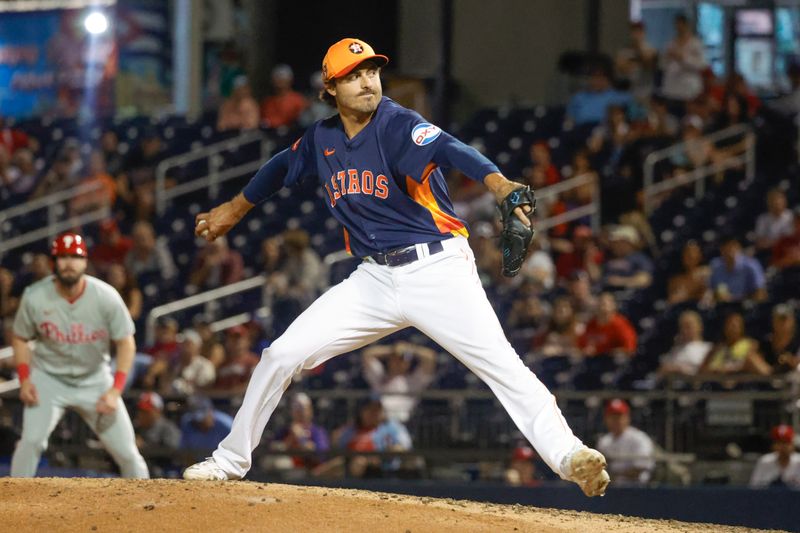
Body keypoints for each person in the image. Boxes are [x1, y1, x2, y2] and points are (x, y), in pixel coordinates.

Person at [183, 37, 609, 497]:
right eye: (353, 75)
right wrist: (234, 207)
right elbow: (280, 167)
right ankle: (230, 460)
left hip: (438, 268)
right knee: (280, 354)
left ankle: (569, 456)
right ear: (330, 88)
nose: (367, 82)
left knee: (501, 364)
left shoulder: (398, 124)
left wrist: (499, 183)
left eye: (372, 71)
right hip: (374, 279)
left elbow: (453, 150)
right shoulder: (321, 139)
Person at [9, 232, 149, 478]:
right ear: (54, 262)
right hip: (48, 379)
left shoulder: (106, 296)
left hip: (95, 380)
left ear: (85, 262)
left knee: (127, 452)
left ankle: (152, 509)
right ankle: (8, 508)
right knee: (30, 443)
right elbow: (20, 337)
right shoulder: (34, 296)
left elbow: (126, 343)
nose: (68, 263)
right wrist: (25, 379)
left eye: (75, 257)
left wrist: (115, 390)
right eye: (62, 257)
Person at [362, 340, 437, 423]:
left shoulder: (414, 381)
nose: (398, 362)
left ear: (408, 363)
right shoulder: (380, 376)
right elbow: (367, 354)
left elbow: (430, 357)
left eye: (402, 360)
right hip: (377, 421)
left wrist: (409, 349)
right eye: (395, 359)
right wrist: (392, 350)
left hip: (402, 423)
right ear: (389, 360)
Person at [596, 399, 655, 485]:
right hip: (611, 488)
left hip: (638, 487)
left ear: (627, 418)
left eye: (619, 416)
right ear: (606, 419)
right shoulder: (604, 441)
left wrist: (614, 475)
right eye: (612, 417)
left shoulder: (639, 438)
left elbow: (641, 468)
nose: (616, 420)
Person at [709, 237, 767, 303]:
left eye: (732, 247)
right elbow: (711, 290)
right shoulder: (716, 265)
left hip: (745, 305)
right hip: (722, 306)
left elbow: (760, 292)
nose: (729, 251)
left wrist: (735, 299)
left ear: (739, 248)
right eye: (726, 247)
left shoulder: (751, 265)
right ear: (721, 250)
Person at [658, 310, 711, 377]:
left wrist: (684, 370)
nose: (685, 330)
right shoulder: (676, 349)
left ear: (699, 327)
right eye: (682, 327)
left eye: (688, 326)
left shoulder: (708, 348)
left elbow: (708, 372)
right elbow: (661, 372)